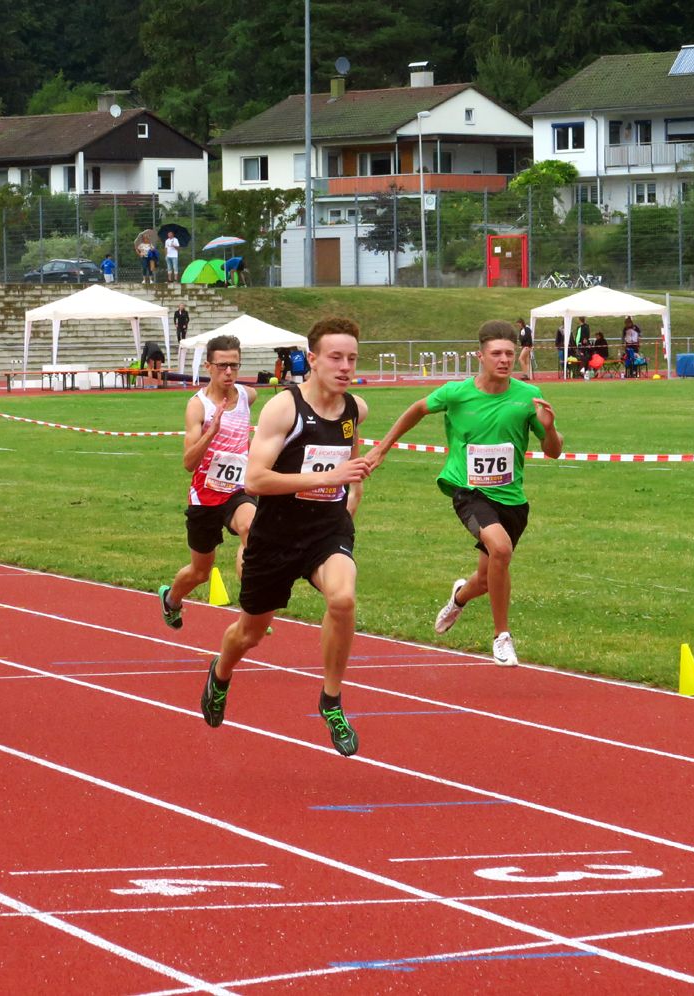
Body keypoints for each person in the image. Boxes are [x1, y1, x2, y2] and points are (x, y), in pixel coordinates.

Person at [199, 317, 370, 757]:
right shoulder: (284, 409)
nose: (345, 366)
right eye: (335, 357)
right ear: (312, 359)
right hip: (275, 535)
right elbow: (254, 479)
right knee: (250, 633)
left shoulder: (355, 409)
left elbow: (351, 465)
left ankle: (331, 699)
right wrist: (328, 477)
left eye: (352, 358)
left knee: (343, 599)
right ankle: (221, 672)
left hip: (326, 530)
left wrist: (350, 496)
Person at [368, 320, 562, 668]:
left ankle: (458, 598)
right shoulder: (456, 393)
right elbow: (417, 409)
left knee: (486, 580)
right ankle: (502, 636)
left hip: (512, 499)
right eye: (496, 353)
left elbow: (553, 451)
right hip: (468, 490)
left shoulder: (527, 397)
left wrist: (549, 429)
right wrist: (383, 447)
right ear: (480, 355)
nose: (504, 360)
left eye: (509, 353)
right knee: (500, 548)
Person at [158, 335, 259, 629]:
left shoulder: (247, 396)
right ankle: (171, 599)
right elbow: (188, 462)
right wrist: (211, 432)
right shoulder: (197, 406)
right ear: (208, 366)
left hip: (238, 490)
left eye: (234, 365)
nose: (229, 372)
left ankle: (253, 608)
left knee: (251, 529)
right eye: (222, 366)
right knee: (200, 572)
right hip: (205, 496)